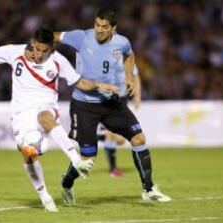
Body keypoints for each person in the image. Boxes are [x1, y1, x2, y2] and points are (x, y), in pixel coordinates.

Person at [0, 28, 119, 212]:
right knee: (29, 154)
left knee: (45, 117)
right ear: (33, 42)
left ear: (52, 48)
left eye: (45, 51)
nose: (40, 54)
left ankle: (76, 160)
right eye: (38, 49)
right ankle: (44, 195)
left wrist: (98, 85)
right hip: (21, 114)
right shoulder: (15, 52)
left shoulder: (58, 60)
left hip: (45, 106)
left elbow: (79, 82)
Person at [54, 8, 171, 205]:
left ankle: (148, 189)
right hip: (84, 105)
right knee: (88, 158)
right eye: (97, 25)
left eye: (104, 27)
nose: (99, 30)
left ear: (113, 29)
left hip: (110, 102)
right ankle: (66, 184)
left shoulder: (121, 42)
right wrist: (38, 46)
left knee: (138, 138)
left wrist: (128, 78)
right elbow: (54, 36)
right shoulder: (81, 37)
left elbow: (129, 56)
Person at [98, 64, 141, 177]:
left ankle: (96, 136)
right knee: (111, 135)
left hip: (122, 100)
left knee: (120, 140)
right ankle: (113, 170)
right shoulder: (103, 55)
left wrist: (137, 96)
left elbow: (135, 76)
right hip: (106, 100)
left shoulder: (127, 57)